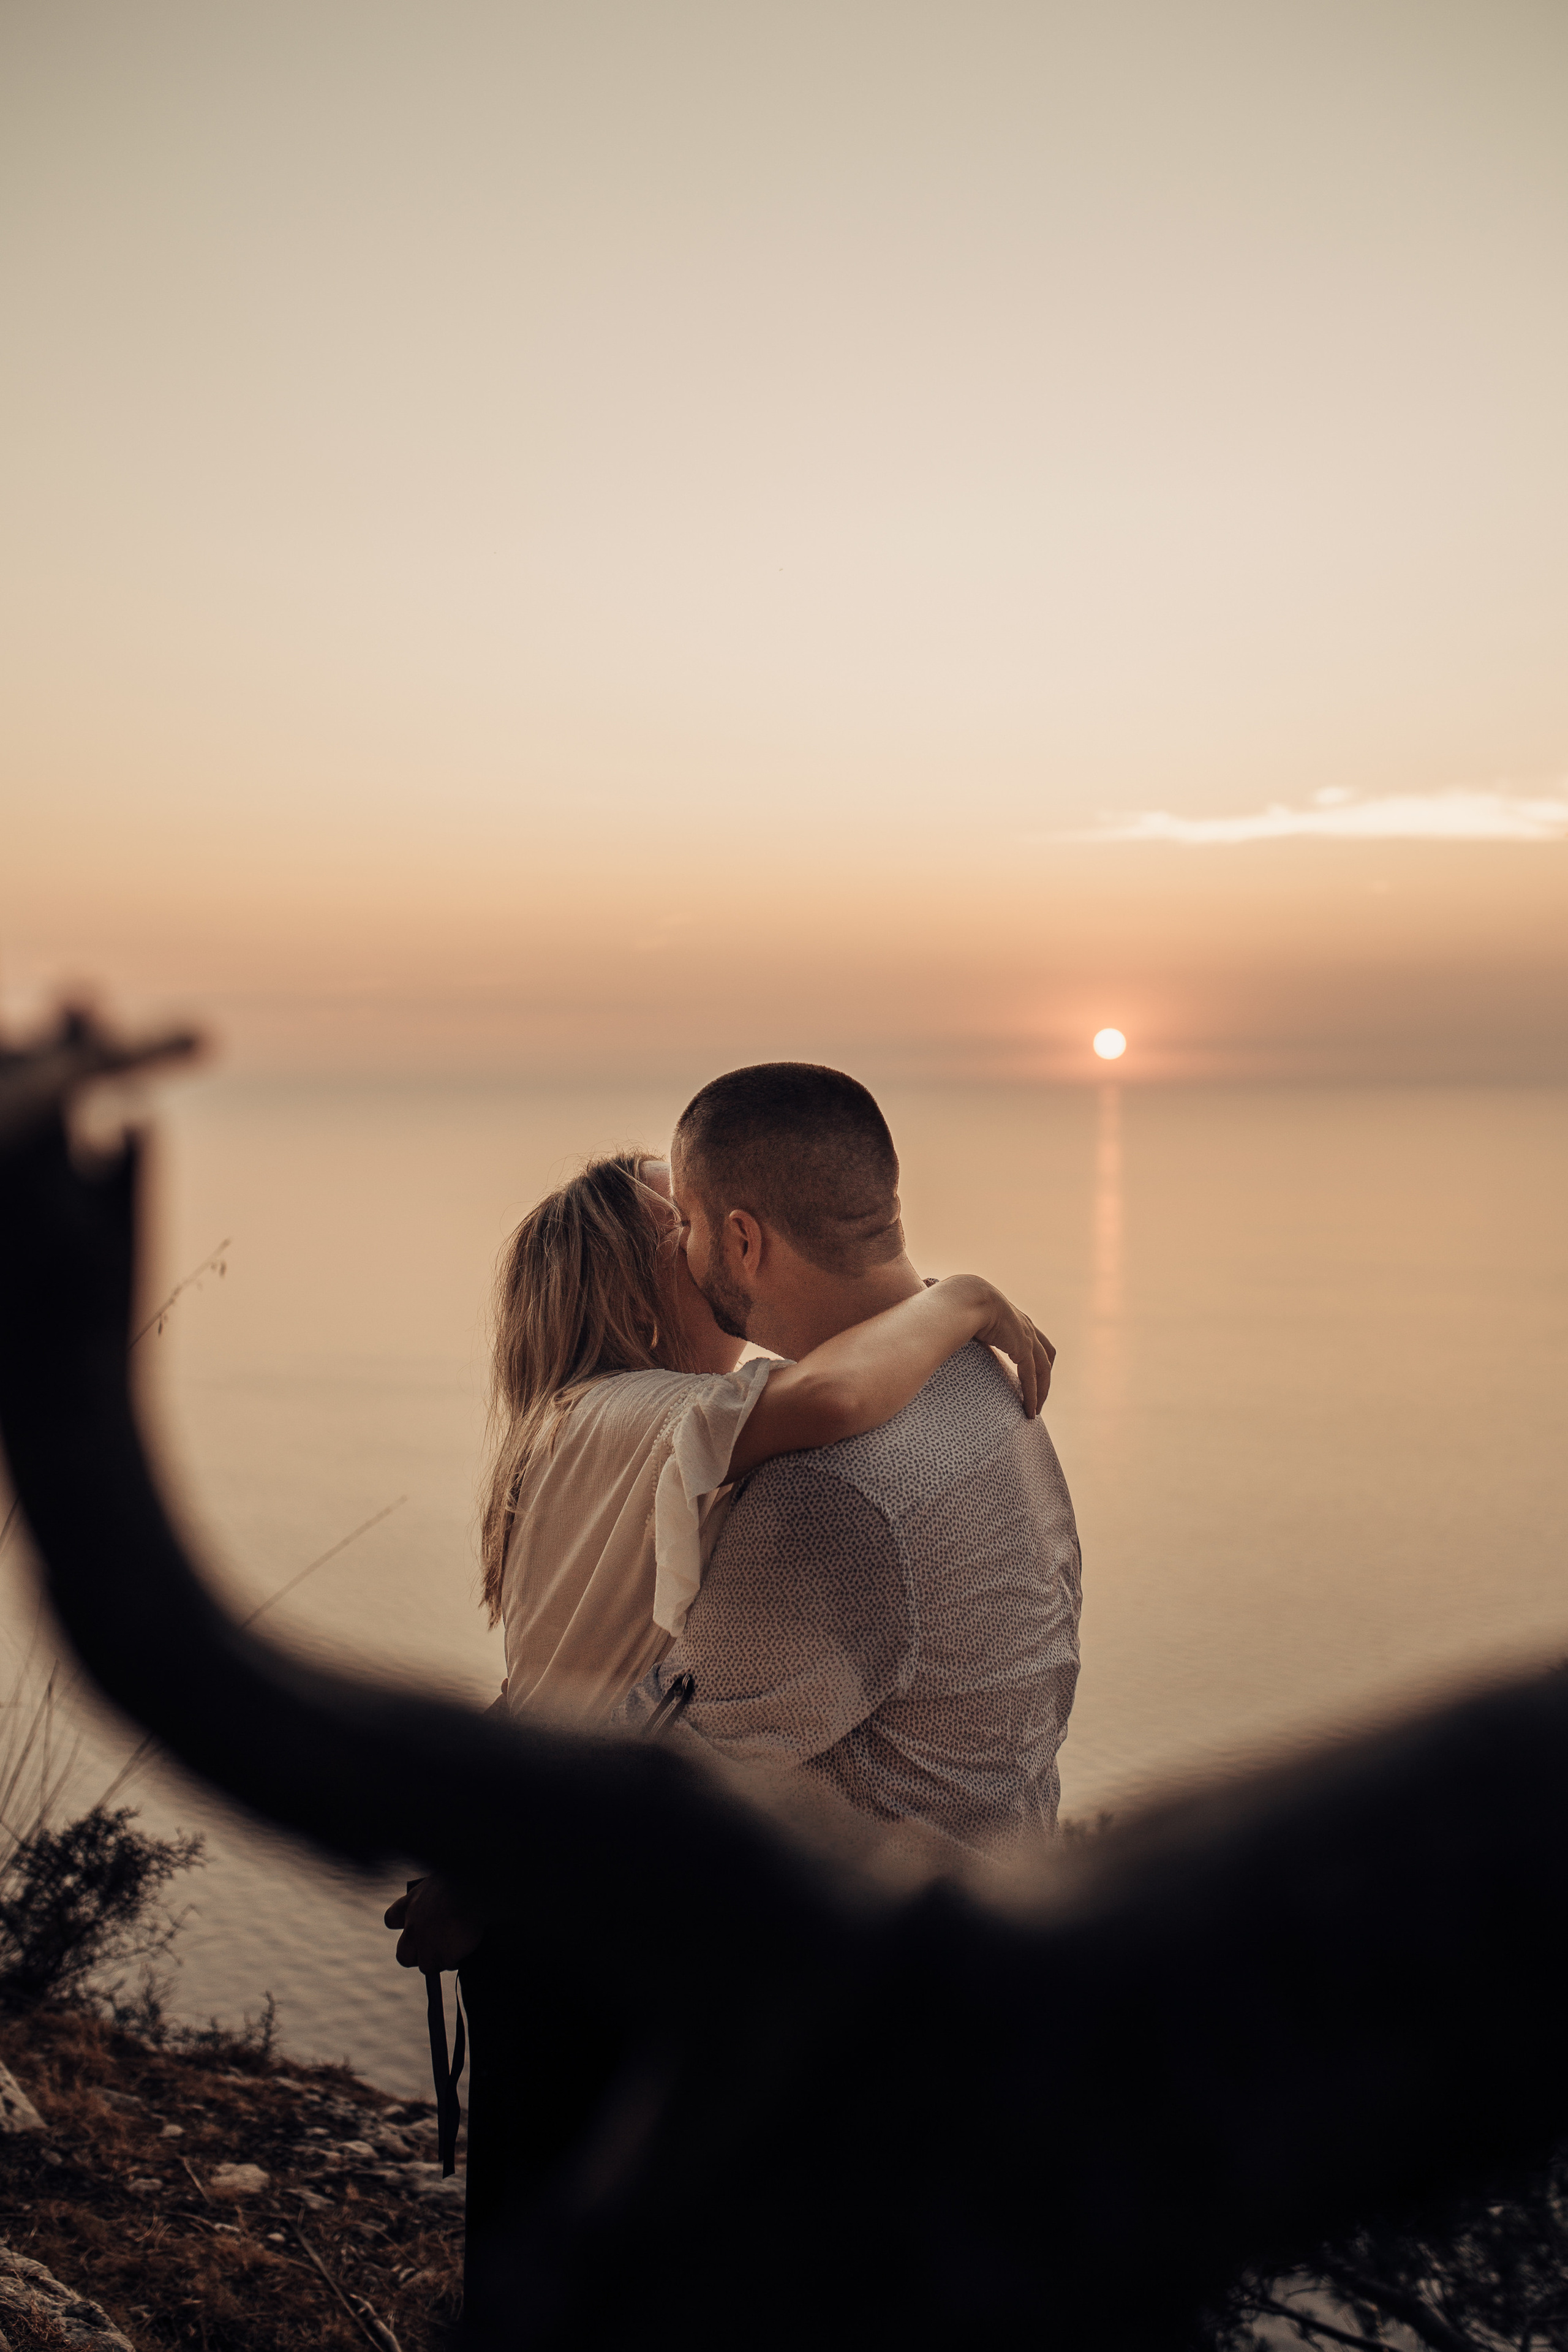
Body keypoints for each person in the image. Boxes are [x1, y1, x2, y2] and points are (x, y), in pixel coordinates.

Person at [616, 1062, 1083, 1851]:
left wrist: (478, 1877)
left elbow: (666, 1772)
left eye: (689, 1226)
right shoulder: (982, 1375)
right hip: (1001, 1897)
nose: (685, 1252)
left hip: (877, 1954)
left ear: (742, 1238)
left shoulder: (828, 1491)